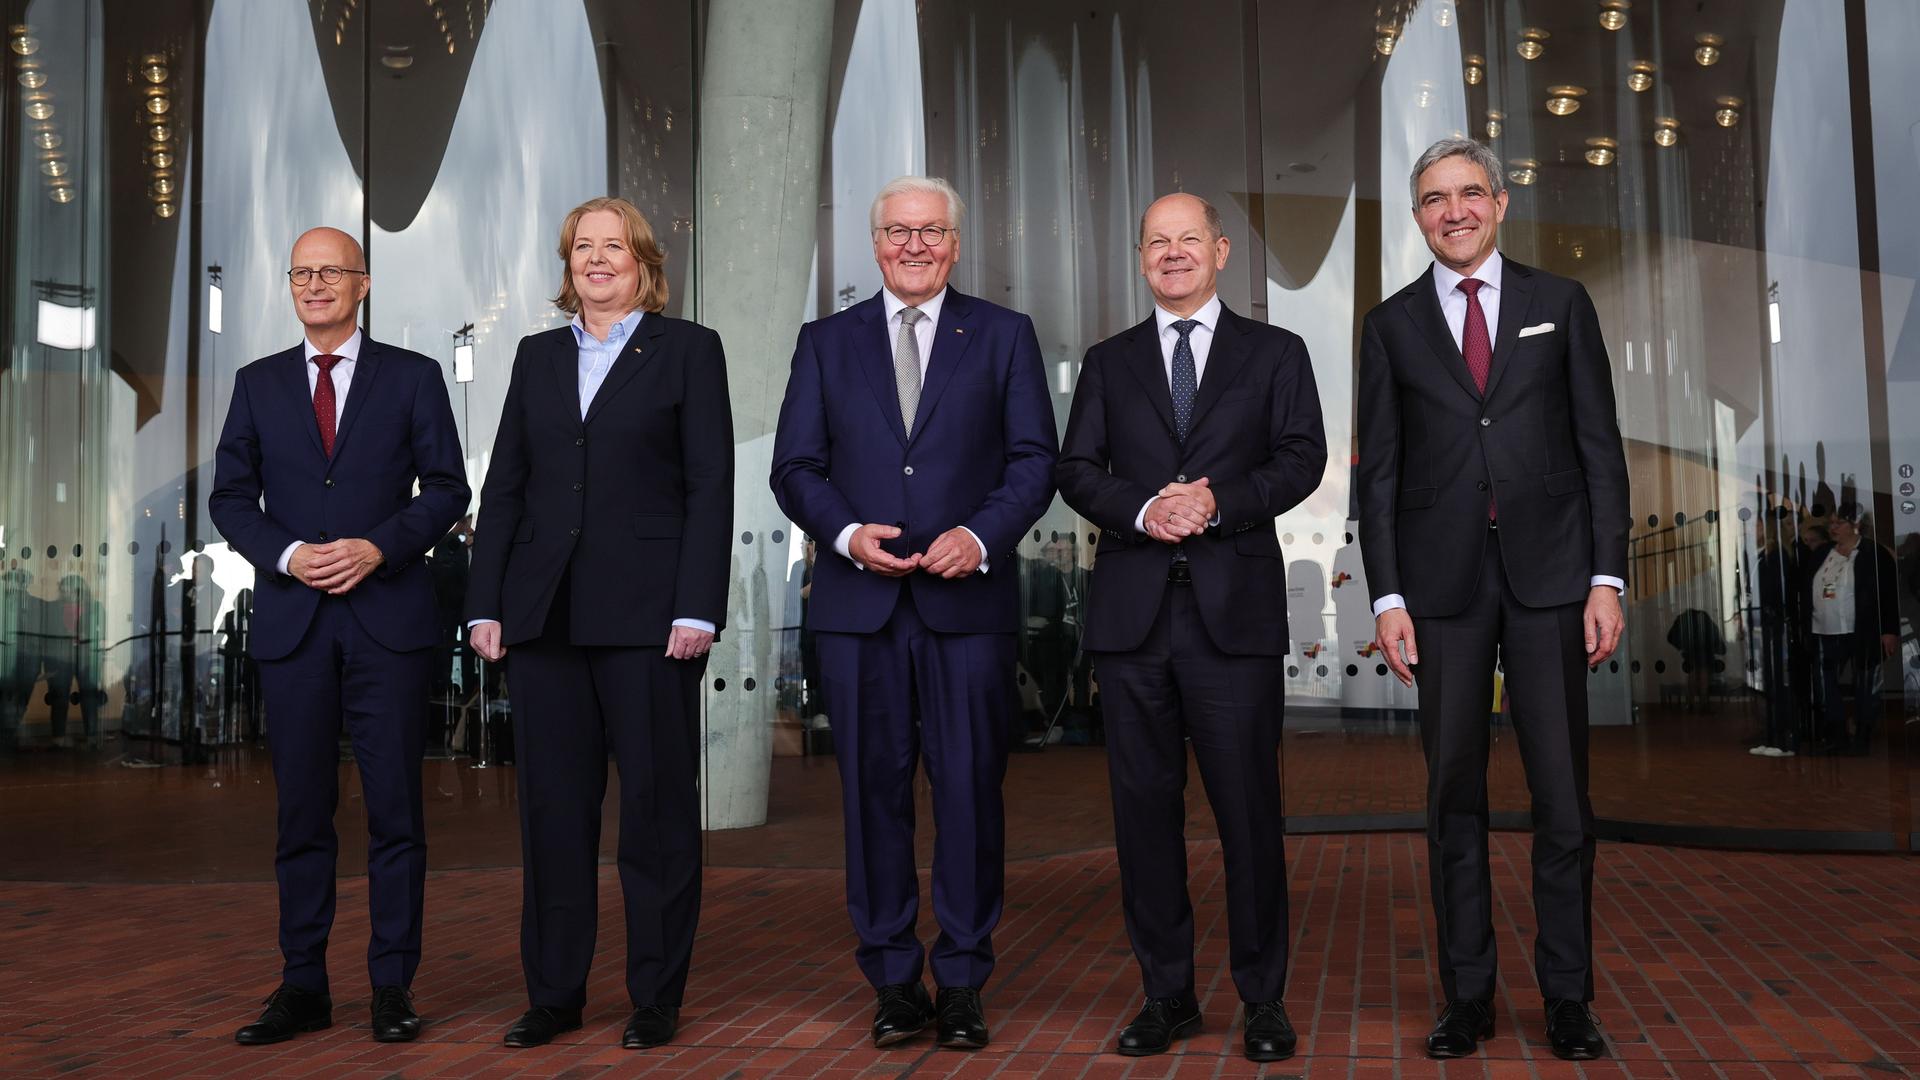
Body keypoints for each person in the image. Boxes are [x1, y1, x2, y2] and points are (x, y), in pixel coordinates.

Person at [1356, 137, 1629, 1062]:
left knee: (1563, 800)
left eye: (1471, 193)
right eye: (1435, 198)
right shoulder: (1390, 325)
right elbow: (1379, 474)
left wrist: (1606, 577)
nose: (1455, 211)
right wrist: (1387, 596)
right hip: (1441, 593)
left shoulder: (1563, 304)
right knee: (1452, 798)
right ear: (1419, 214)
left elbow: (1600, 448)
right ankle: (1466, 995)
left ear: (1501, 204)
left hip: (1554, 583)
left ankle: (1566, 997)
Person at [770, 175, 1057, 1051]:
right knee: (871, 797)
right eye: (898, 231)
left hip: (966, 607)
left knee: (971, 794)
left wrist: (980, 536)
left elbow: (1034, 460)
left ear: (957, 243)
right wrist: (847, 534)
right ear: (875, 243)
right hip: (860, 608)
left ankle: (963, 977)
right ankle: (894, 979)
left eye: (932, 231)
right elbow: (795, 468)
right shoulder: (825, 343)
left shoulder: (1004, 335)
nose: (915, 244)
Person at [1056, 192, 1326, 1063]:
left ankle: (1263, 999)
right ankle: (1166, 993)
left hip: (1232, 617)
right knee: (1143, 818)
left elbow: (1301, 456)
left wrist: (1216, 502)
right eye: (1156, 243)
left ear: (1219, 253)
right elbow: (1075, 468)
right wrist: (1142, 508)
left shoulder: (1276, 352)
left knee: (1249, 814)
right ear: (1141, 260)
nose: (1172, 254)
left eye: (1188, 241)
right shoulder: (1107, 361)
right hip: (1133, 623)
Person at [466, 196, 733, 1051]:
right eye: (583, 247)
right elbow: (504, 485)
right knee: (553, 814)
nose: (597, 260)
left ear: (644, 262)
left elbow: (710, 484)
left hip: (652, 619)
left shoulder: (689, 350)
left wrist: (698, 604)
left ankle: (655, 996)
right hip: (543, 619)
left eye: (614, 246)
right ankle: (554, 994)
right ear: (567, 263)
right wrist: (485, 602)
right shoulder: (537, 356)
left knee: (655, 813)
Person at [209, 226, 469, 1045]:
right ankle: (303, 985)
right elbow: (228, 498)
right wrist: (285, 554)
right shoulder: (257, 385)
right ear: (291, 287)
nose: (315, 283)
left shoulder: (414, 377)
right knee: (301, 816)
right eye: (302, 273)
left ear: (363, 284)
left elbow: (449, 488)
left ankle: (392, 985)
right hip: (294, 628)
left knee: (396, 812)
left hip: (386, 622)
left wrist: (381, 545)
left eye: (332, 271)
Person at [1804, 502, 1899, 756]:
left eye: (1839, 523)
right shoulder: (1823, 552)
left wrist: (1889, 630)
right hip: (1824, 630)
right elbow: (1806, 587)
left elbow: (1888, 594)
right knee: (1824, 682)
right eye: (1831, 523)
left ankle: (1863, 734)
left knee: (1866, 682)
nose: (1833, 527)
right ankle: (1837, 733)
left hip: (1863, 630)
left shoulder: (1873, 553)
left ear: (1855, 525)